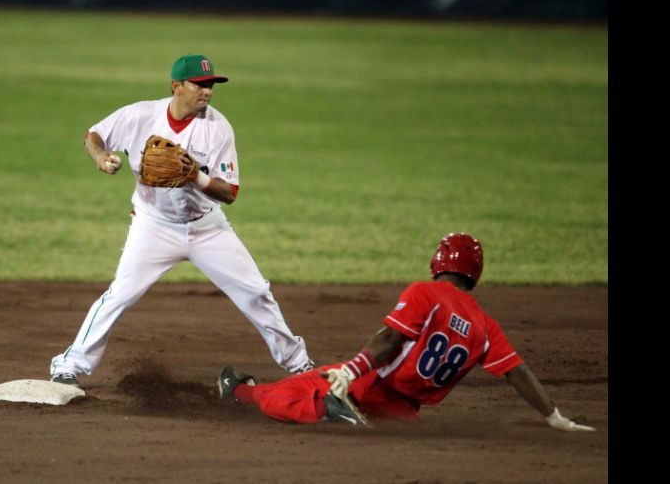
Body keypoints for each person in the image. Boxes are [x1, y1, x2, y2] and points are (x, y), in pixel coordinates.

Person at [50, 54, 314, 386]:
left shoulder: (218, 128)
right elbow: (93, 135)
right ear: (177, 86)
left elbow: (230, 192)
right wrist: (101, 156)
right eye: (200, 85)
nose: (208, 92)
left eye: (211, 85)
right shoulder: (140, 115)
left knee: (255, 292)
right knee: (120, 295)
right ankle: (69, 365)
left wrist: (196, 177)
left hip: (207, 228)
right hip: (153, 226)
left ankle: (299, 363)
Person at [217, 233, 595, 432]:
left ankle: (259, 396)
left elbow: (389, 340)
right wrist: (554, 416)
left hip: (369, 386)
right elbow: (518, 372)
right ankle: (252, 395)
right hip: (403, 412)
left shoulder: (426, 292)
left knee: (288, 392)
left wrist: (351, 373)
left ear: (439, 262)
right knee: (312, 382)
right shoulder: (485, 326)